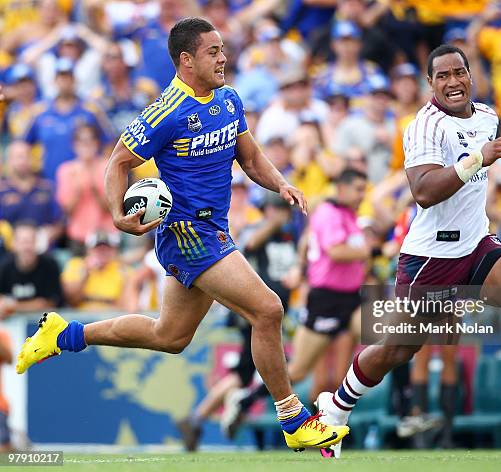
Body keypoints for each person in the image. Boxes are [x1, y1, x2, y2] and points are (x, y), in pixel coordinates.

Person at [15, 17, 348, 452]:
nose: (224, 57)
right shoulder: (165, 111)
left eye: (223, 49)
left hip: (214, 228)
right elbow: (118, 162)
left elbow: (250, 158)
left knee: (168, 337)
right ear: (186, 59)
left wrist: (281, 183)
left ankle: (62, 336)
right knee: (267, 310)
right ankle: (293, 419)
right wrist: (117, 214)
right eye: (213, 51)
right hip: (187, 234)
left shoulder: (229, 99)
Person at [315, 44, 501, 459]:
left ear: (471, 74)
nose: (453, 82)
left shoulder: (488, 116)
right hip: (432, 256)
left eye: (459, 72)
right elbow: (423, 192)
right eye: (443, 76)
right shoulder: (423, 126)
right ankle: (336, 406)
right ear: (430, 83)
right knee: (398, 349)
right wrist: (477, 158)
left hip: (475, 243)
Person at [222, 168, 369, 437]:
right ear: (343, 188)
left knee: (384, 340)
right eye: (359, 189)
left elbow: (306, 242)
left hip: (353, 297)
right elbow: (336, 250)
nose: (363, 195)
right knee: (299, 370)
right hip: (326, 300)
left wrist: (301, 266)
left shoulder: (348, 214)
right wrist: (369, 249)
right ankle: (246, 399)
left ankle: (402, 411)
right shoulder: (329, 212)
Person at [178, 191, 300, 450]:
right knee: (246, 370)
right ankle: (201, 416)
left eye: (283, 210)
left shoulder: (290, 236)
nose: (281, 214)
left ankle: (200, 417)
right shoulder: (257, 229)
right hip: (253, 309)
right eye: (276, 209)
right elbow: (247, 245)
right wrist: (271, 225)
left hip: (274, 309)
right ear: (266, 210)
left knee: (246, 372)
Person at [56, 123, 118, 249]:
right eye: (82, 141)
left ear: (97, 143)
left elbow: (113, 208)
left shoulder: (108, 167)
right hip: (79, 235)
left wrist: (95, 190)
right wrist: (78, 192)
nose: (86, 145)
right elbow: (67, 210)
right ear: (74, 145)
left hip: (106, 236)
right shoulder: (66, 170)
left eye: (90, 140)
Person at [0, 140, 63, 248]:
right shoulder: (2, 190)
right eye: (18, 157)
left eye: (26, 156)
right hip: (8, 252)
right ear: (9, 161)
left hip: (42, 251)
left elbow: (60, 221)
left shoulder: (47, 188)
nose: (23, 161)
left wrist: (52, 233)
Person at [0, 221, 62, 319]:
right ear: (14, 244)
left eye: (31, 241)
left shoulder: (49, 265)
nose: (27, 247)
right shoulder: (4, 267)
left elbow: (50, 303)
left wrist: (13, 306)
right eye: (23, 242)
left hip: (43, 324)